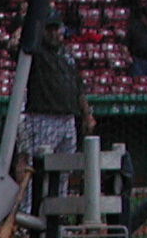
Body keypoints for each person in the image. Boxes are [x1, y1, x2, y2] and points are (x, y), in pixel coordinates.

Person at [15, 11, 94, 166]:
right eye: (48, 29)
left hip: (68, 119)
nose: (53, 33)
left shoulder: (66, 54)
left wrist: (87, 115)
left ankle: (61, 186)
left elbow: (78, 87)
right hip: (43, 118)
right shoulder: (35, 52)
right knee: (40, 165)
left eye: (55, 29)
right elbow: (15, 47)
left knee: (66, 168)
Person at [123, 7, 147, 82]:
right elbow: (124, 45)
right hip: (137, 60)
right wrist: (128, 57)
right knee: (138, 82)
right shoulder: (134, 28)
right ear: (143, 18)